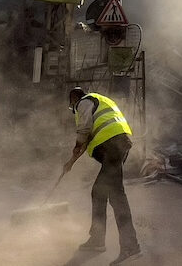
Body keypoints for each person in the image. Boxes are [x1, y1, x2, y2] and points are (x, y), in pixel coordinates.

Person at [66, 87, 140, 263]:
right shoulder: (101, 101)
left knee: (116, 196)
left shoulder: (84, 102)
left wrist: (74, 152)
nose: (73, 109)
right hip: (118, 145)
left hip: (112, 147)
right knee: (99, 192)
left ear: (75, 98)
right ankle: (97, 239)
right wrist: (70, 163)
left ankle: (131, 247)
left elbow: (83, 131)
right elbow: (88, 137)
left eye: (72, 105)